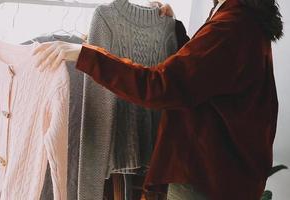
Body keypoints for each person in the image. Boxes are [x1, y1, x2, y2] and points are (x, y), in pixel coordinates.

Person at [33, 0, 283, 199]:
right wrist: (174, 29)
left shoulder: (231, 25)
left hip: (208, 178)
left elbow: (162, 86)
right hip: (225, 174)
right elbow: (205, 77)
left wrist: (87, 55)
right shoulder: (239, 17)